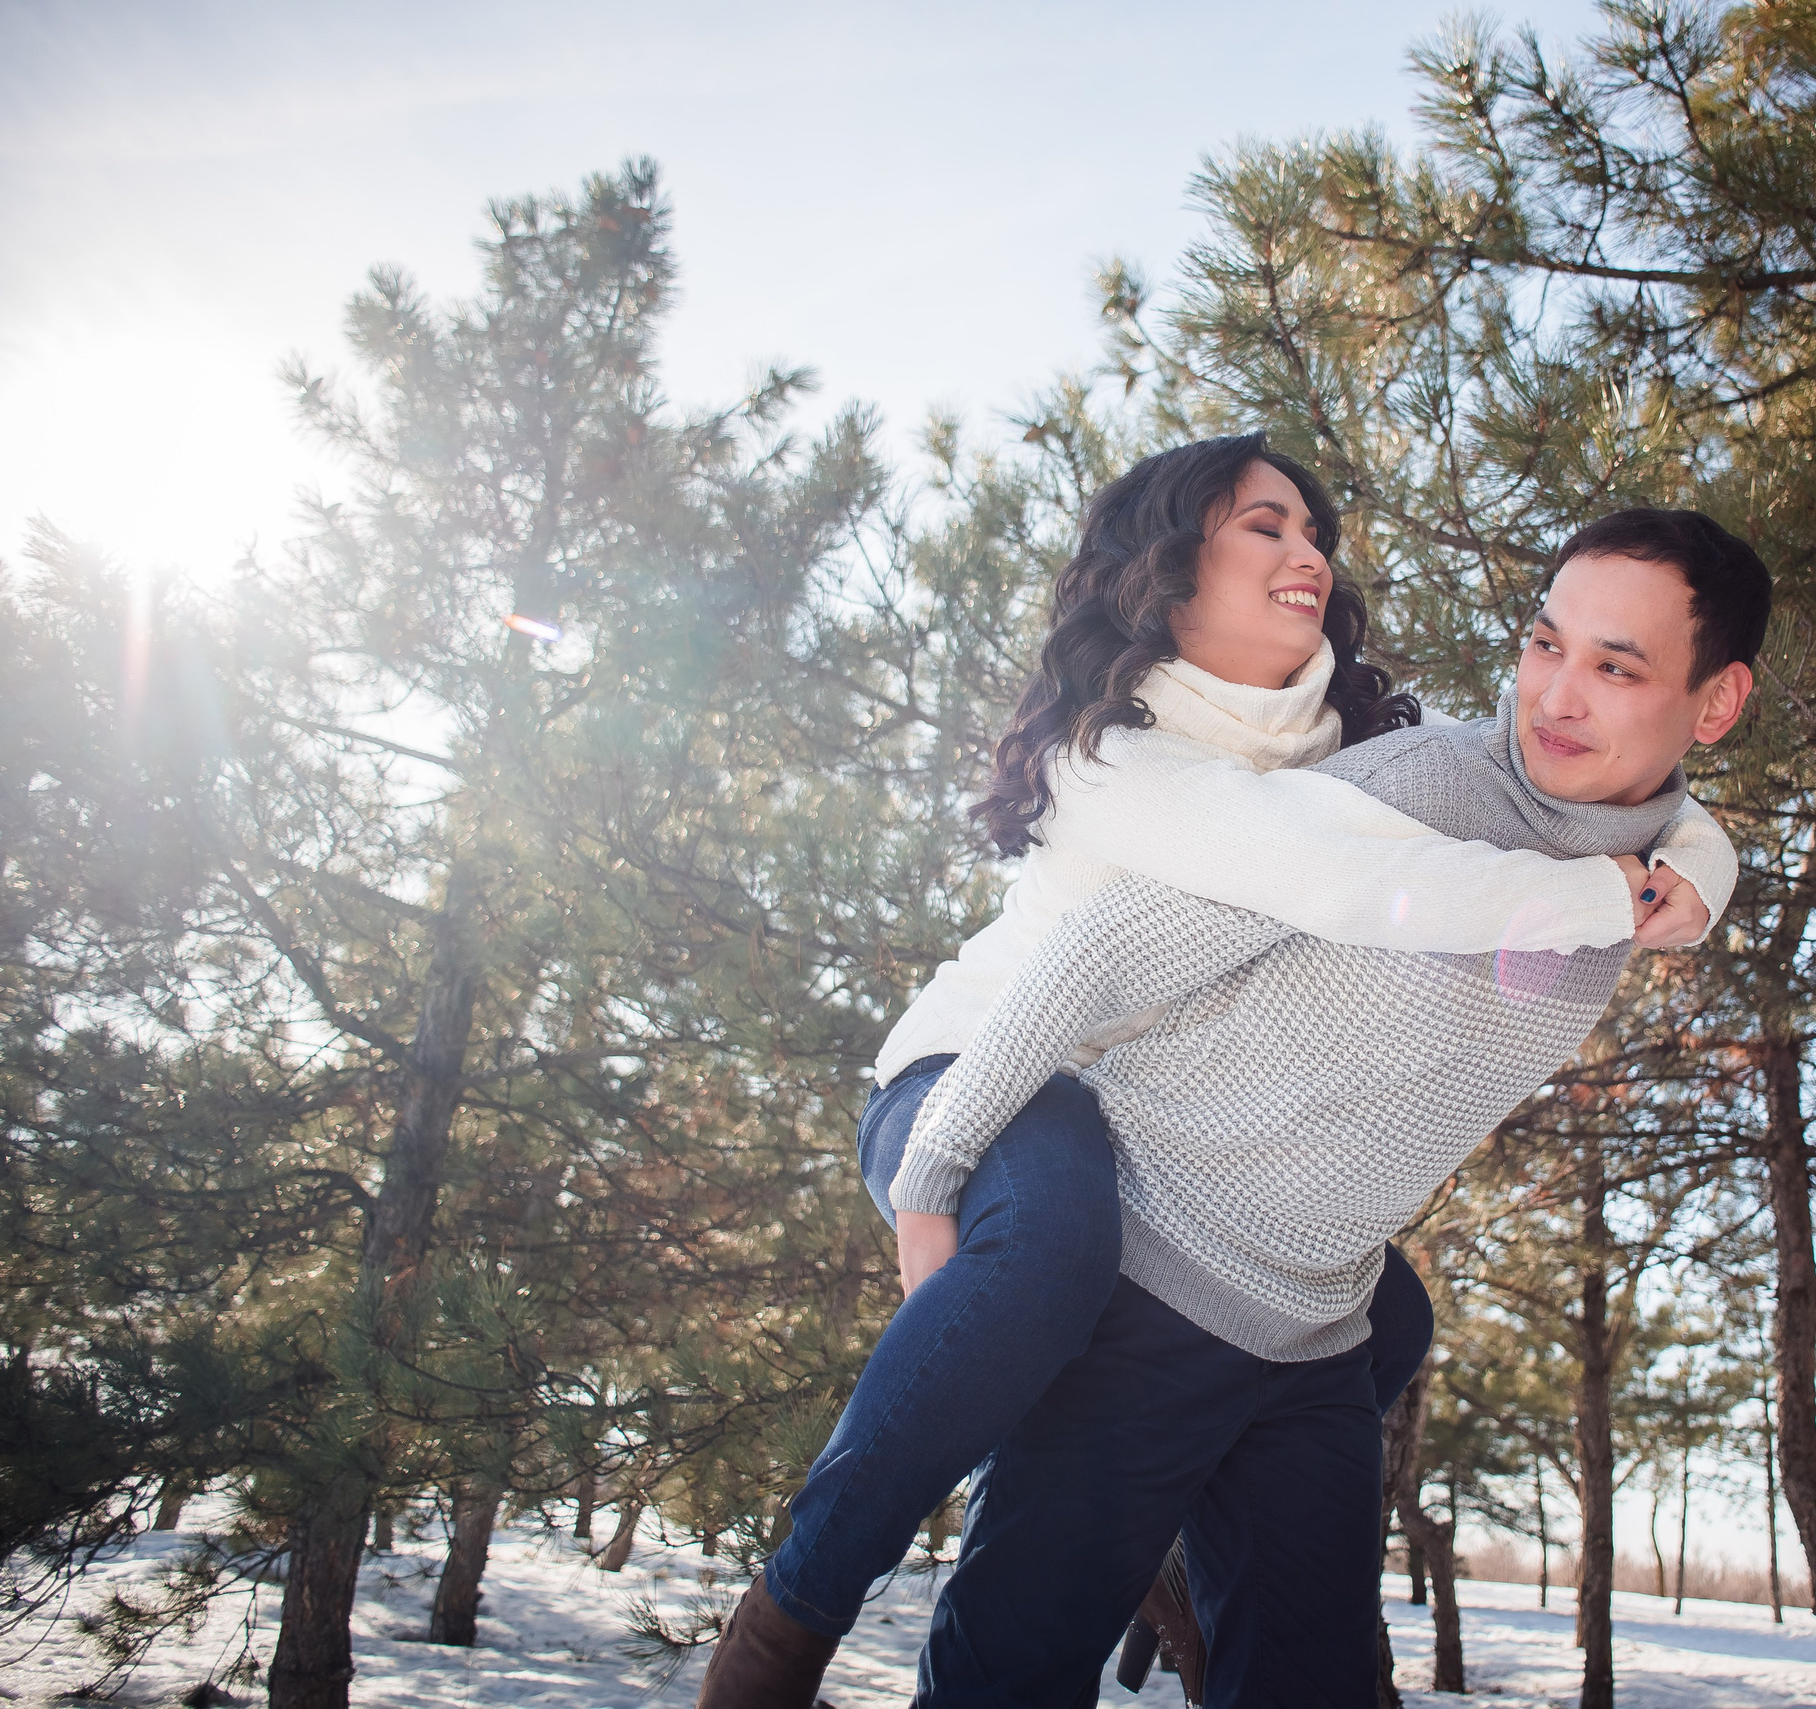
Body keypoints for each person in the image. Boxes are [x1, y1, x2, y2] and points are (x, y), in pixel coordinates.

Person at [695, 439, 1735, 1708]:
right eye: (1264, 528)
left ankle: (1181, 1526)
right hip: (992, 1070)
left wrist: (1695, 854)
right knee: (1048, 1257)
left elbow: (1566, 786)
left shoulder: (1347, 744)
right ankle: (795, 1606)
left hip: (1283, 1283)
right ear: (1170, 569)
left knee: (1390, 1321)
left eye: (1614, 664)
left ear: (1713, 700)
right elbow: (1280, 886)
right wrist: (935, 1175)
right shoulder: (1131, 762)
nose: (1308, 556)